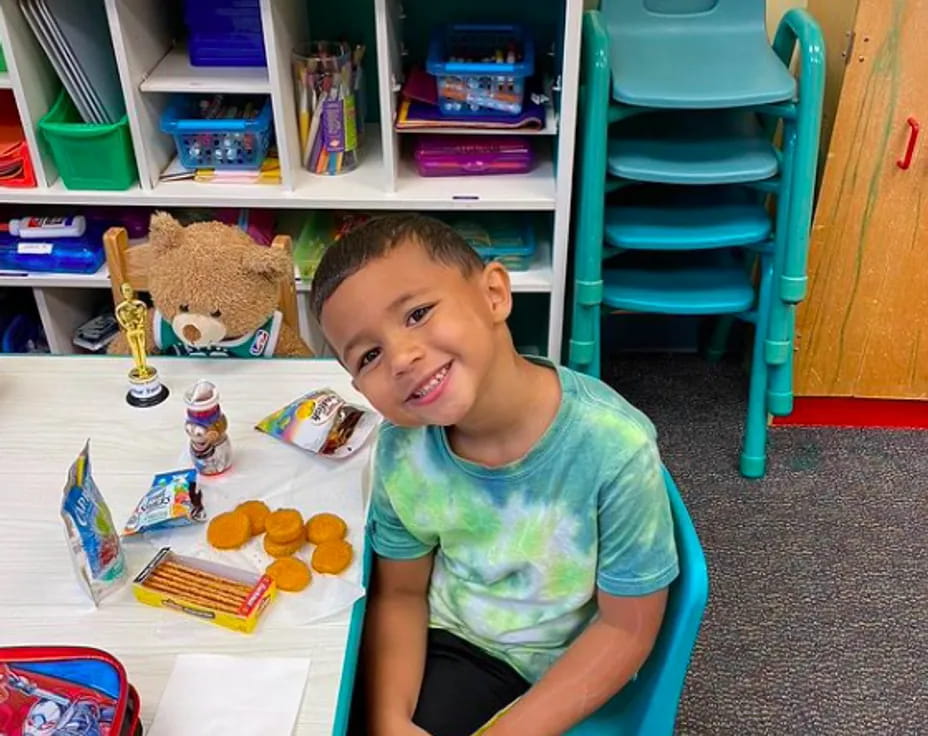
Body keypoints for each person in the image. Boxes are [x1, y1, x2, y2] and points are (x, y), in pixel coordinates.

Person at [310, 214, 679, 736]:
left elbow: (625, 630)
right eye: (369, 355)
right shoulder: (400, 450)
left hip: (554, 661)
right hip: (447, 641)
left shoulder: (614, 448)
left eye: (417, 313)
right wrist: (388, 717)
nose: (401, 357)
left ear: (494, 295)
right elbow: (401, 594)